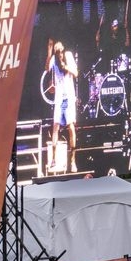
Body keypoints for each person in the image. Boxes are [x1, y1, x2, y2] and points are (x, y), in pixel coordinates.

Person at [46, 38, 79, 173]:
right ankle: (53, 159)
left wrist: (67, 67)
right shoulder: (53, 59)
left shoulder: (69, 56)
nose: (59, 55)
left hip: (69, 98)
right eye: (56, 52)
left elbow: (76, 73)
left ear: (63, 51)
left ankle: (73, 161)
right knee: (56, 127)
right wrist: (49, 52)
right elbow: (47, 68)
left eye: (60, 52)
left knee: (71, 127)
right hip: (59, 98)